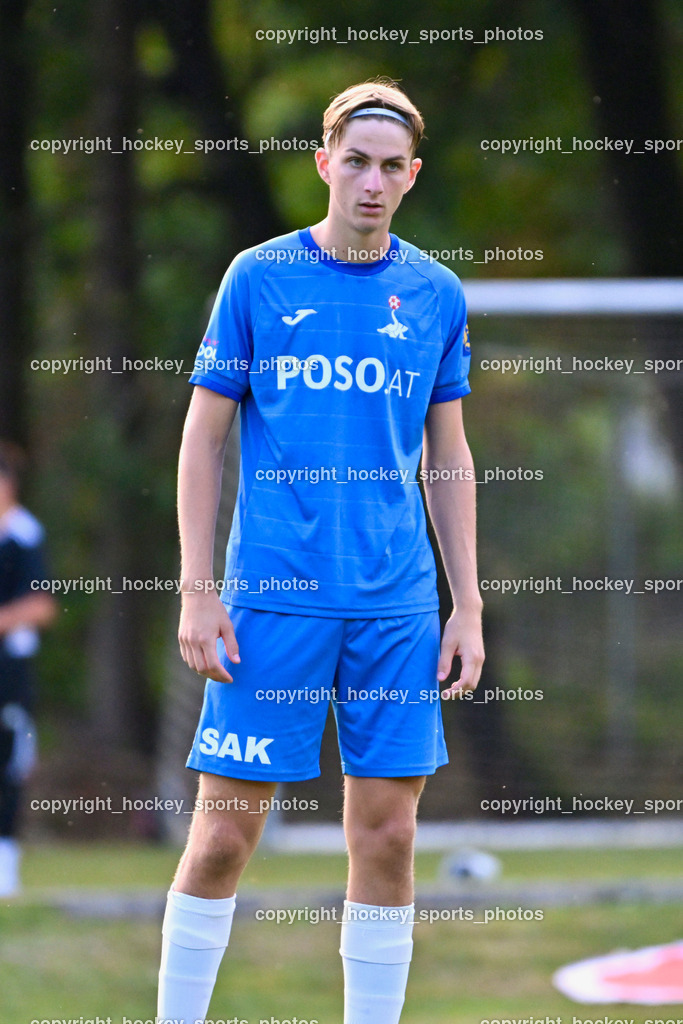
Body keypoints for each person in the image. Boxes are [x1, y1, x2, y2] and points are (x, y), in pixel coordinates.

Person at [159, 78, 485, 1024]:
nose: (371, 182)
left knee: (385, 839)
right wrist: (196, 589)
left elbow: (449, 454)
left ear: (411, 176)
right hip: (270, 600)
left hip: (394, 606)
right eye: (356, 162)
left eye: (391, 167)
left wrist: (465, 603)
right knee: (223, 836)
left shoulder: (434, 293)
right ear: (323, 163)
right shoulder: (257, 277)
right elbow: (202, 439)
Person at [0, 442, 56, 897]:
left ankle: (6, 865)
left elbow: (41, 606)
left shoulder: (25, 535)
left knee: (8, 763)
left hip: (10, 671)